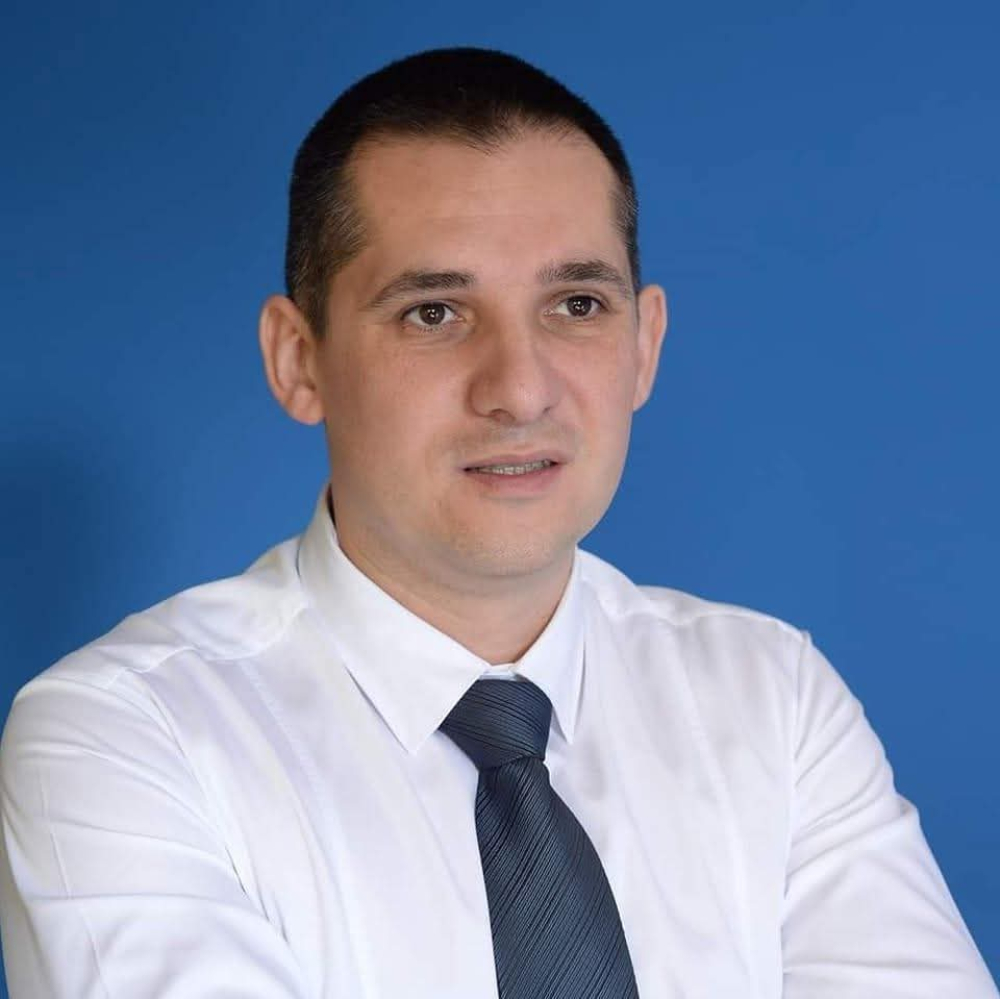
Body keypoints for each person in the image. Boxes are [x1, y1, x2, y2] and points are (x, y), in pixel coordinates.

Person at [0, 47, 995, 999]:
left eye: (576, 304)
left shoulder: (771, 700)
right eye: (434, 312)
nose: (519, 390)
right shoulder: (126, 735)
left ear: (644, 345)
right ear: (299, 360)